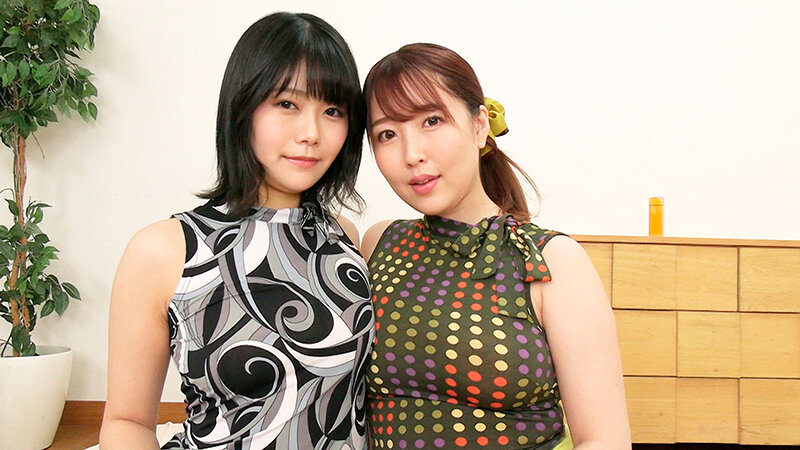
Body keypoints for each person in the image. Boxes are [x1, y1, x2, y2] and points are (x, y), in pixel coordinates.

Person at [100, 12, 374, 450]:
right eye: (287, 104)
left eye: (332, 111)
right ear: (243, 106)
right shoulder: (165, 249)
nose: (311, 133)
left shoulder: (344, 237)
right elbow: (127, 422)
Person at [360, 43, 631, 449]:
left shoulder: (552, 260)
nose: (411, 154)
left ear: (479, 125)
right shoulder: (379, 244)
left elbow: (605, 441)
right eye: (387, 134)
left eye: (432, 121)